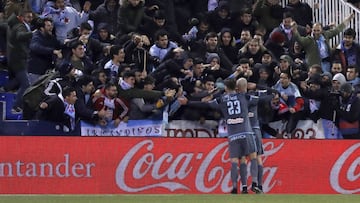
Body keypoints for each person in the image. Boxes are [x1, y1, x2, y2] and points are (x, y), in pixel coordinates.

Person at [236, 78, 264, 194]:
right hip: (254, 128)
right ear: (246, 86)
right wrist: (256, 85)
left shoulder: (234, 100)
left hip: (241, 131)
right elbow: (269, 94)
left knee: (242, 158)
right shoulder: (253, 97)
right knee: (257, 157)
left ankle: (243, 187)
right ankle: (257, 185)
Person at [5, 9, 33, 113]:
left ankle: (4, 88)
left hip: (17, 58)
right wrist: (32, 33)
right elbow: (20, 36)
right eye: (28, 17)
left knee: (19, 80)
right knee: (26, 84)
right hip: (18, 60)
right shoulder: (20, 26)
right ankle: (16, 106)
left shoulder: (13, 25)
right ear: (21, 17)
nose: (30, 19)